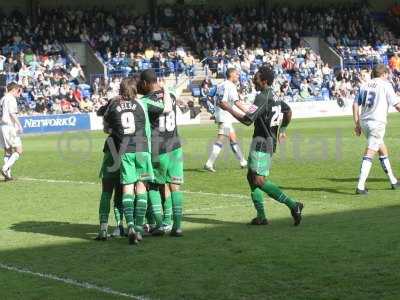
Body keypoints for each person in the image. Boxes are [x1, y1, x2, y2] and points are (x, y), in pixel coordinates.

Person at [219, 66, 304, 226]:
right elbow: (288, 111)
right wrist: (283, 129)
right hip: (265, 142)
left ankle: (294, 205)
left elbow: (247, 120)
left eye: (256, 77)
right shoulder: (274, 96)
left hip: (263, 144)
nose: (253, 79)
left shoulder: (261, 97)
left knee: (258, 180)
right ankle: (261, 216)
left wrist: (228, 108)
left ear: (264, 81)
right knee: (251, 177)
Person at [103, 77, 172, 244]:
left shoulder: (114, 105)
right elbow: (167, 108)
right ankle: (139, 229)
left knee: (127, 188)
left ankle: (131, 225)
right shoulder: (143, 102)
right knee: (141, 187)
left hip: (125, 150)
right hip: (142, 149)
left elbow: (106, 128)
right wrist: (166, 90)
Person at [138, 69, 184, 237]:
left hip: (159, 148)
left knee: (153, 185)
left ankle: (159, 224)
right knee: (175, 187)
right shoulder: (170, 94)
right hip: (176, 146)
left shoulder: (145, 101)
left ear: (144, 83)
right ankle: (176, 226)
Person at [353, 64, 400, 194]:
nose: (388, 77)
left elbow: (355, 104)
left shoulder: (364, 85)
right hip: (377, 123)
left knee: (382, 148)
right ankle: (360, 186)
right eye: (387, 75)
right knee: (370, 152)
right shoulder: (386, 85)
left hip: (364, 122)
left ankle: (393, 181)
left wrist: (357, 124)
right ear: (384, 74)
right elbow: (397, 105)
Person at [204, 68, 248, 172]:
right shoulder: (231, 86)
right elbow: (237, 102)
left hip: (221, 114)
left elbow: (210, 96)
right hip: (225, 115)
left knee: (233, 139)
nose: (238, 76)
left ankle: (243, 161)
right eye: (237, 74)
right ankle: (209, 163)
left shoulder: (221, 84)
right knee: (221, 139)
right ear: (231, 75)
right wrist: (248, 111)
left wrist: (214, 111)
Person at [0, 82, 23, 181]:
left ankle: (8, 175)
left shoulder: (2, 99)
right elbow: (12, 113)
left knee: (8, 151)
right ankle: (5, 168)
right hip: (10, 126)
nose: (18, 93)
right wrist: (19, 125)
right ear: (13, 89)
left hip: (2, 126)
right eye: (18, 91)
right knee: (19, 150)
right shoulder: (11, 98)